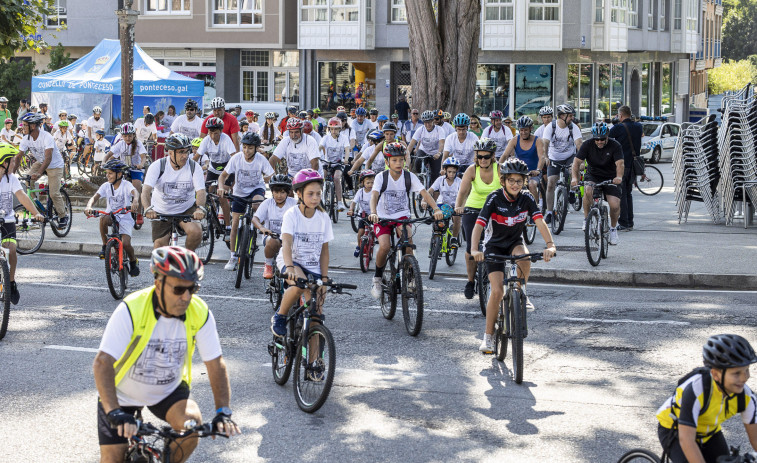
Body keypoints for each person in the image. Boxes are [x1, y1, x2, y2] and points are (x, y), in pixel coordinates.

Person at [93, 246, 240, 463]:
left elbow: (215, 364)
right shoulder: (131, 309)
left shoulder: (199, 312)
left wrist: (223, 411)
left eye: (193, 289)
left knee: (192, 425)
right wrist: (114, 411)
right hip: (121, 394)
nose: (186, 297)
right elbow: (102, 363)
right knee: (112, 458)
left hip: (167, 390)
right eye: (179, 289)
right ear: (158, 283)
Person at [471, 158, 556, 353]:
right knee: (497, 292)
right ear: (503, 181)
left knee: (524, 257)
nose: (515, 184)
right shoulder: (494, 198)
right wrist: (475, 249)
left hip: (514, 242)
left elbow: (540, 222)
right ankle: (488, 337)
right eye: (511, 180)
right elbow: (479, 225)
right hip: (494, 246)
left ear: (524, 182)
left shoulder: (526, 198)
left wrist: (550, 245)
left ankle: (521, 293)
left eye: (519, 181)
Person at [656, 334, 757, 463]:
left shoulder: (746, 396)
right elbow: (686, 440)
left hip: (709, 431)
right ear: (715, 374)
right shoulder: (696, 390)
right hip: (675, 430)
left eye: (746, 370)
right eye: (736, 373)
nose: (744, 378)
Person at [368, 143, 443, 298]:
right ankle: (377, 278)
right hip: (382, 217)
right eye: (394, 160)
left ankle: (410, 278)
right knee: (385, 246)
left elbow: (425, 193)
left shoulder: (409, 176)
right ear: (387, 162)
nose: (398, 163)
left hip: (402, 217)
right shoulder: (381, 177)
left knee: (408, 244)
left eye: (401, 160)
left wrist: (436, 209)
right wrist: (373, 212)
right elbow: (374, 196)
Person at [270, 169, 334, 342]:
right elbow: (287, 244)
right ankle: (280, 316)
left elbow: (324, 250)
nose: (315, 198)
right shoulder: (291, 214)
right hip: (292, 260)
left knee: (315, 318)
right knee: (300, 284)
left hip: (313, 265)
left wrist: (325, 277)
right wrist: (289, 267)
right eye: (310, 194)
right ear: (299, 193)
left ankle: (314, 365)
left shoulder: (323, 217)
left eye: (318, 194)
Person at [218, 132, 273, 271]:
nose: (246, 150)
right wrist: (220, 188)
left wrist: (271, 183)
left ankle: (259, 230)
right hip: (239, 192)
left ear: (256, 148)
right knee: (235, 223)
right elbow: (223, 176)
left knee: (256, 204)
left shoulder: (261, 159)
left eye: (250, 148)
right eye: (244, 147)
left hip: (256, 189)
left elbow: (271, 175)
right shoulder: (236, 158)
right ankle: (233, 257)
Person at [142, 134, 207, 250]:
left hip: (185, 208)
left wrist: (200, 208)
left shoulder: (194, 167)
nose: (185, 155)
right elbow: (146, 191)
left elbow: (201, 191)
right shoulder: (157, 166)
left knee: (196, 232)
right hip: (161, 210)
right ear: (170, 152)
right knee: (159, 247)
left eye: (187, 151)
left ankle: (186, 258)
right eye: (181, 152)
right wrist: (148, 208)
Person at [454, 138, 500, 299]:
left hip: (495, 210)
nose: (483, 160)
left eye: (486, 157)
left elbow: (508, 191)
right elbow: (462, 192)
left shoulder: (499, 169)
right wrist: (458, 206)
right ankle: (471, 281)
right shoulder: (472, 170)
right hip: (473, 208)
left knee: (496, 244)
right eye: (479, 156)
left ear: (493, 156)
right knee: (470, 248)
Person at [0, 143, 44, 305]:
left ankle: (11, 282)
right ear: (3, 163)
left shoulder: (10, 179)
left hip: (7, 220)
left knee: (11, 249)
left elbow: (22, 197)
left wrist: (36, 213)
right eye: (12, 161)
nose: (15, 164)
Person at [571, 122, 624, 244]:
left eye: (602, 139)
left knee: (615, 205)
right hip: (593, 175)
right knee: (588, 190)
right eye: (597, 139)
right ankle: (586, 219)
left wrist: (619, 177)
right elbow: (576, 163)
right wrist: (574, 178)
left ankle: (613, 229)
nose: (599, 142)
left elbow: (620, 164)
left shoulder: (615, 145)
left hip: (611, 177)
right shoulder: (587, 145)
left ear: (607, 136)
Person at [85, 159, 140, 275]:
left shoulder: (126, 184)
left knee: (125, 244)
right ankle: (105, 246)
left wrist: (135, 201)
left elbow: (135, 192)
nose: (107, 176)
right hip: (111, 215)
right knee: (103, 218)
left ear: (119, 174)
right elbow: (95, 197)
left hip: (125, 217)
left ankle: (133, 260)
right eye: (107, 173)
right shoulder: (106, 186)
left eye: (110, 173)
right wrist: (89, 206)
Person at [17, 112, 68, 228]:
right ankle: (37, 207)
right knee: (28, 181)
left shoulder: (46, 137)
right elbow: (18, 158)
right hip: (41, 162)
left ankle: (63, 216)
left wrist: (39, 173)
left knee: (54, 193)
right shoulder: (26, 139)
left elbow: (48, 157)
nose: (22, 127)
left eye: (25, 125)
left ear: (33, 126)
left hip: (55, 165)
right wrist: (9, 173)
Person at [541, 103, 582, 224]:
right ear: (562, 116)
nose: (572, 118)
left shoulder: (573, 127)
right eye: (570, 116)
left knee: (572, 172)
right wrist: (546, 157)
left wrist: (582, 161)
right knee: (550, 183)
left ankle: (572, 191)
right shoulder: (551, 127)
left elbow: (579, 144)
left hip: (569, 156)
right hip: (554, 157)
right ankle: (549, 212)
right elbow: (545, 144)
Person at [253, 174, 297, 279]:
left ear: (287, 193)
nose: (279, 195)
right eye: (276, 192)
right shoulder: (267, 203)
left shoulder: (294, 203)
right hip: (272, 236)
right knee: (272, 241)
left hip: (289, 238)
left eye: (282, 192)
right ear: (272, 192)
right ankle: (268, 265)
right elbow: (255, 218)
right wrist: (262, 228)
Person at [198, 117, 236, 241]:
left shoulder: (226, 139)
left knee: (222, 196)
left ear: (220, 131)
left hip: (226, 169)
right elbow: (196, 156)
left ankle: (228, 226)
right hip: (213, 169)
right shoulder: (206, 140)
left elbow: (233, 157)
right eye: (210, 132)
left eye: (215, 133)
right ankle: (213, 216)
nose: (212, 135)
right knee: (206, 193)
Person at [104, 123, 147, 222]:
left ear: (133, 135)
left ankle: (139, 213)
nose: (127, 138)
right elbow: (109, 155)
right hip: (123, 169)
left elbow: (143, 157)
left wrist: (141, 164)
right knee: (116, 186)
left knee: (137, 189)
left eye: (130, 136)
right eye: (125, 136)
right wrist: (103, 161)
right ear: (122, 136)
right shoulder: (120, 144)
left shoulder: (138, 143)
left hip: (135, 169)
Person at [609, 105, 642, 232]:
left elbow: (607, 138)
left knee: (621, 194)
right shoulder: (638, 127)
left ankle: (623, 222)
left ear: (620, 115)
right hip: (634, 164)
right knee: (628, 193)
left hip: (622, 164)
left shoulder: (618, 128)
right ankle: (630, 221)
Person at [501, 116, 546, 201]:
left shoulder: (538, 140)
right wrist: (498, 166)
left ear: (530, 129)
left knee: (532, 184)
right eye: (521, 130)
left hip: (533, 172)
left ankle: (534, 209)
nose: (523, 132)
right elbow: (504, 155)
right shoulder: (515, 140)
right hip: (519, 171)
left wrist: (538, 170)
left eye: (526, 130)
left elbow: (542, 157)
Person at [425, 157, 462, 245]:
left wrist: (461, 207)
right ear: (445, 170)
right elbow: (429, 191)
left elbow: (464, 196)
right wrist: (424, 200)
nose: (451, 174)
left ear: (457, 172)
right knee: (438, 220)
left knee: (457, 219)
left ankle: (454, 238)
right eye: (449, 172)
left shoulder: (460, 182)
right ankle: (435, 236)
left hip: (455, 206)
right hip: (442, 204)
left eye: (454, 172)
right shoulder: (440, 180)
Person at [319, 117, 351, 210]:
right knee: (321, 177)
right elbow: (320, 146)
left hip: (338, 163)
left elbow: (347, 149)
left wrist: (346, 159)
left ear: (339, 129)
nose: (333, 131)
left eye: (336, 129)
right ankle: (322, 196)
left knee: (337, 178)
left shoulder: (344, 138)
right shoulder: (326, 138)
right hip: (327, 162)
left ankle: (340, 202)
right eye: (331, 129)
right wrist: (316, 154)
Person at [406, 110, 445, 179]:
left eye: (429, 122)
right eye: (426, 122)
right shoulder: (420, 129)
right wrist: (406, 153)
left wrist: (439, 153)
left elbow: (442, 143)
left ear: (433, 120)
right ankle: (420, 177)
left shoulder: (439, 129)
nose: (428, 124)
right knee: (417, 161)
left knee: (435, 174)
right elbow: (411, 144)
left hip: (435, 152)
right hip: (423, 150)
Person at [347, 170, 376, 257]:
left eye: (372, 182)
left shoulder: (375, 192)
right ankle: (359, 246)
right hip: (363, 215)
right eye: (368, 183)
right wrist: (351, 210)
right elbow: (353, 202)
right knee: (360, 232)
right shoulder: (360, 192)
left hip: (374, 214)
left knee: (376, 231)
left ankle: (373, 241)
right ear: (362, 183)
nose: (370, 185)